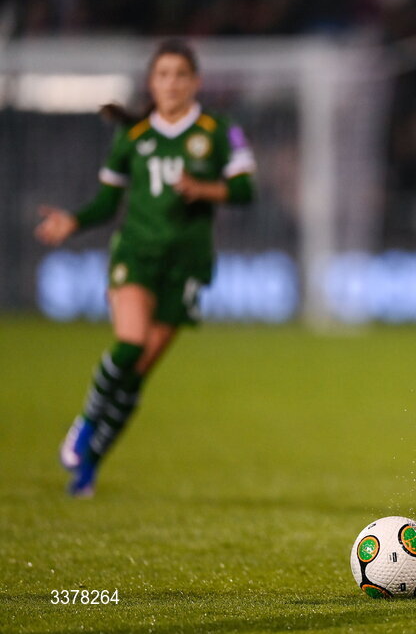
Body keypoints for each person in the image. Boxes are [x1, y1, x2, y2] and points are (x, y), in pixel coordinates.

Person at [35, 39, 256, 498]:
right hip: (135, 254)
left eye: (180, 75)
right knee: (130, 344)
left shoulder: (219, 130)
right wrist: (72, 221)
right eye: (163, 75)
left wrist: (204, 188)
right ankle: (86, 423)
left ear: (195, 82)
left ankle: (89, 468)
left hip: (187, 264)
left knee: (138, 374)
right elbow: (107, 202)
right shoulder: (134, 136)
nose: (171, 83)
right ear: (150, 83)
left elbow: (245, 191)